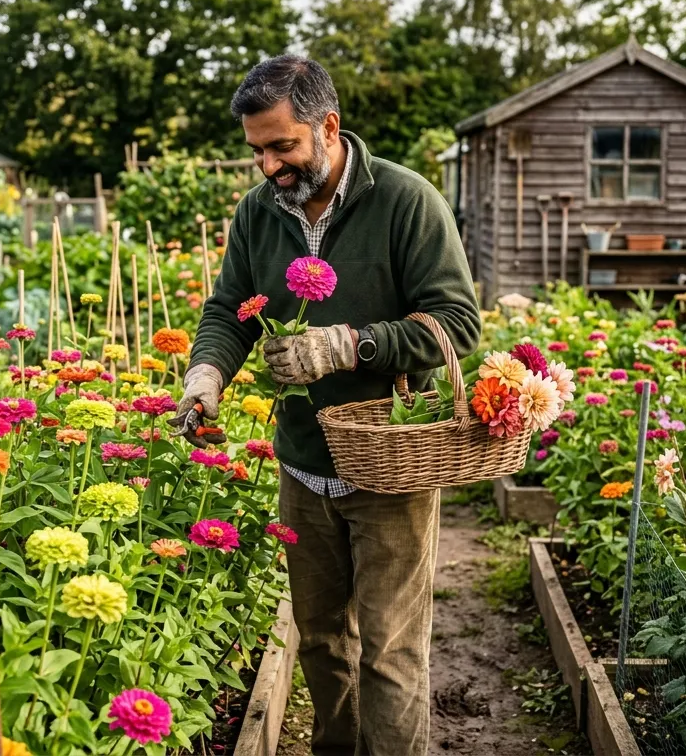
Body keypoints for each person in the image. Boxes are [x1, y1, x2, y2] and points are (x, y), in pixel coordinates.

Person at [172, 55, 481, 755]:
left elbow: (458, 324)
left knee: (389, 655)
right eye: (257, 150)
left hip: (389, 468)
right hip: (304, 465)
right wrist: (206, 374)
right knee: (318, 643)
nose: (269, 166)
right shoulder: (259, 213)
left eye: (283, 145)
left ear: (328, 126)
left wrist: (350, 346)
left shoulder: (406, 201)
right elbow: (231, 309)